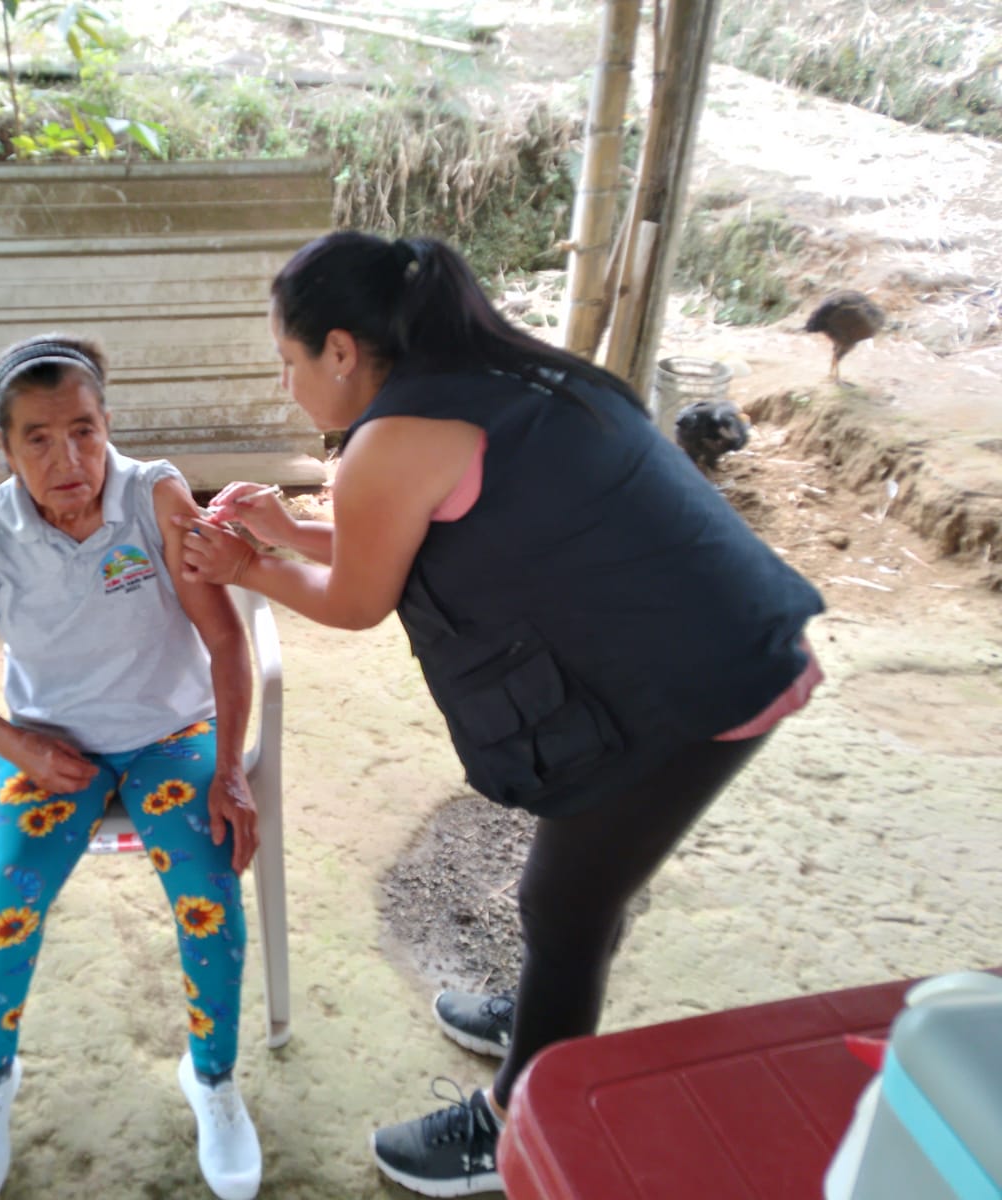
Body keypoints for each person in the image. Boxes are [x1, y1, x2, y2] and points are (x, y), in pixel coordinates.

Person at [178, 232, 825, 1197]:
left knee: (566, 900)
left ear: (341, 351)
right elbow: (393, 538)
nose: (286, 384)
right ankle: (542, 1019)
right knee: (579, 894)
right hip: (719, 634)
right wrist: (284, 530)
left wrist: (246, 565)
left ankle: (523, 1121)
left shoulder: (389, 442)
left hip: (702, 682)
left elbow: (357, 599)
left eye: (288, 360)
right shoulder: (490, 379)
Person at [0, 333, 264, 1200]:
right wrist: (16, 743)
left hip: (171, 735)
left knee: (209, 893)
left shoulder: (155, 498)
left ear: (108, 426)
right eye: (38, 438)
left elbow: (226, 640)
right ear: (6, 450)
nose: (67, 460)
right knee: (9, 903)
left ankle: (212, 1079)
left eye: (83, 431)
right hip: (52, 743)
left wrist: (230, 771)